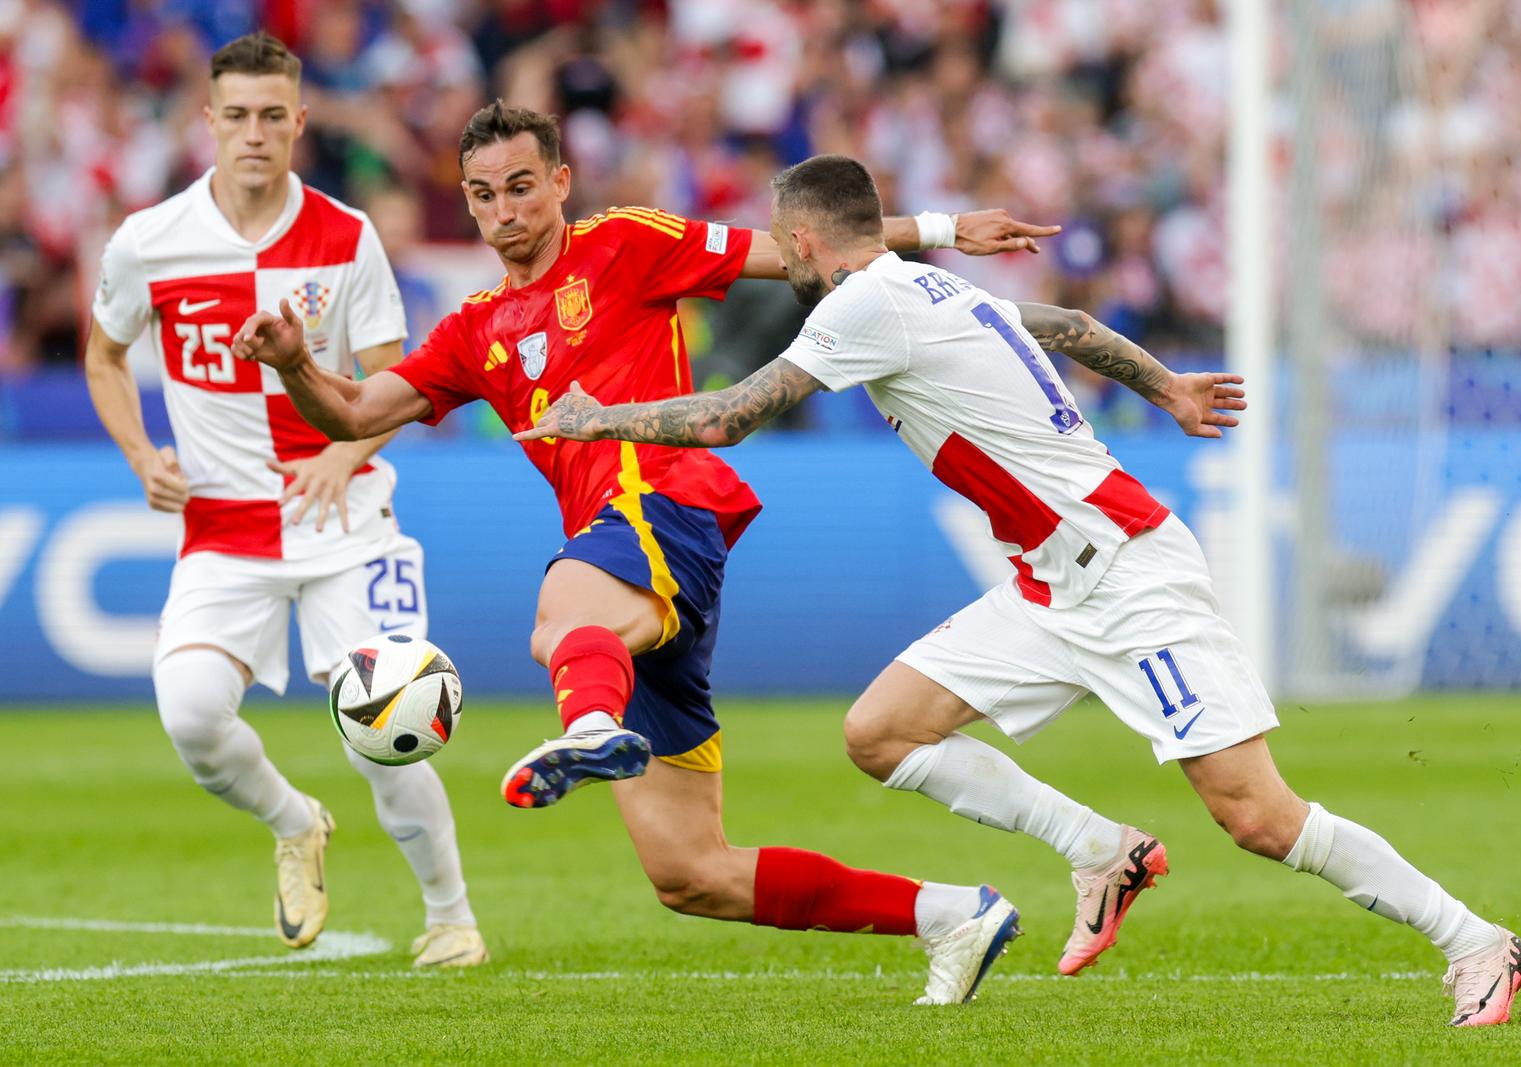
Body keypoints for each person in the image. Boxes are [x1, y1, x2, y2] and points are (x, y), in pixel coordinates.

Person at [518, 154, 1521, 1029]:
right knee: (881, 730)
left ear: (800, 237)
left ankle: (1478, 939)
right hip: (1051, 581)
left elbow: (730, 417)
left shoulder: (865, 301)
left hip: (1128, 573)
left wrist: (595, 419)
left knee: (1255, 815)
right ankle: (1099, 849)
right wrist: (1168, 386)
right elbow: (1069, 323)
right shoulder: (931, 289)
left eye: (784, 249)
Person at [229, 101, 1061, 1005]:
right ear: (466, 205)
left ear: (559, 182)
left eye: (519, 187)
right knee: (689, 871)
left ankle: (590, 727)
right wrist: (293, 365)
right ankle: (951, 913)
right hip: (630, 558)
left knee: (561, 616)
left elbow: (791, 247)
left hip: (666, 502)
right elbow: (352, 414)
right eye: (482, 195)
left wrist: (940, 228)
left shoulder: (625, 242)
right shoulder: (474, 330)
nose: (504, 210)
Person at [84, 32, 486, 968]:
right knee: (189, 713)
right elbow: (104, 355)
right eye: (237, 116)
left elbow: (404, 378)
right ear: (207, 123)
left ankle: (450, 915)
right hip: (222, 530)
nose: (254, 133)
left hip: (342, 520)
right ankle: (295, 821)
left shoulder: (345, 235)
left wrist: (348, 456)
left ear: (300, 123)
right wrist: (141, 453)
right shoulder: (149, 241)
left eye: (273, 116)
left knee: (382, 727)